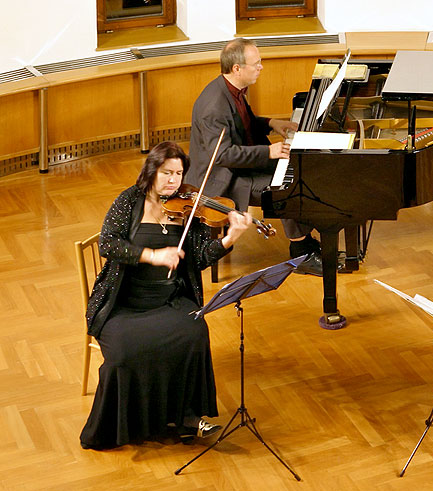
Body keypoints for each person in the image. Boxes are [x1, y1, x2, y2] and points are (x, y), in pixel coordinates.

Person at [80, 141, 254, 450]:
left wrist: (230, 238)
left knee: (194, 332)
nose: (173, 180)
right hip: (122, 305)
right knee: (124, 353)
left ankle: (186, 417)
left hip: (168, 299)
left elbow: (198, 257)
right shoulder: (129, 201)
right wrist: (151, 255)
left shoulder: (189, 209)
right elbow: (108, 244)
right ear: (152, 172)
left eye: (179, 173)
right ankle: (125, 425)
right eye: (166, 172)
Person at [188, 37, 323, 276]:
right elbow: (223, 155)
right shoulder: (213, 107)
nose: (261, 67)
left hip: (239, 166)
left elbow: (245, 124)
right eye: (256, 63)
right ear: (237, 68)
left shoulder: (233, 89)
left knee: (298, 171)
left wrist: (272, 123)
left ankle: (307, 239)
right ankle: (300, 252)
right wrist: (269, 151)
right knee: (286, 186)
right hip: (222, 178)